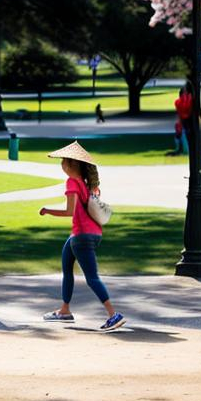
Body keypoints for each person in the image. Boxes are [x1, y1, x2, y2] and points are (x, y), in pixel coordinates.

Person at [39, 140, 125, 332]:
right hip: (89, 233)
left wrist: (47, 211)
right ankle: (64, 310)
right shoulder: (86, 185)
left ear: (71, 164)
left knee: (92, 278)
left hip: (83, 236)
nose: (61, 164)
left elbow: (70, 211)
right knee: (66, 264)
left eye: (63, 161)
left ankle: (113, 315)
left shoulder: (72, 182)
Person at [174, 83, 193, 154]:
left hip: (184, 118)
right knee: (183, 133)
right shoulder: (181, 101)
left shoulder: (178, 102)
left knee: (182, 133)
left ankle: (180, 148)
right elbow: (186, 107)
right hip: (185, 118)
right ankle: (184, 149)